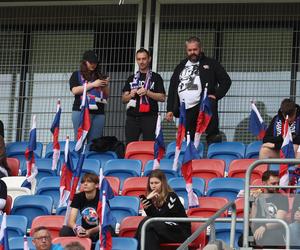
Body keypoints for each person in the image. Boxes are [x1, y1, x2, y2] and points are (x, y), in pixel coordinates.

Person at [166, 36, 231, 145]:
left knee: (212, 135)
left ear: (200, 48)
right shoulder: (180, 66)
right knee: (188, 139)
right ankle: (191, 161)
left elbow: (226, 81)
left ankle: (213, 158)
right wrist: (170, 109)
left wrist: (216, 95)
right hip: (186, 108)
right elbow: (172, 88)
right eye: (190, 50)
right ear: (186, 50)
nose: (193, 52)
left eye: (195, 49)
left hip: (204, 105)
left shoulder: (211, 63)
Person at [135, 169, 191, 250]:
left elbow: (161, 217)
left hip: (180, 231)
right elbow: (154, 218)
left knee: (149, 223)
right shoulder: (154, 198)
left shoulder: (172, 196)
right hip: (164, 229)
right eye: (151, 183)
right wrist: (148, 205)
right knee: (148, 227)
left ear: (163, 183)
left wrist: (149, 203)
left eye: (156, 183)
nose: (154, 186)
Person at [122, 48, 166, 145]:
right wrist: (130, 95)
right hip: (132, 118)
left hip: (150, 117)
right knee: (130, 145)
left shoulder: (156, 77)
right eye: (139, 59)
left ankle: (149, 161)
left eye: (144, 59)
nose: (141, 62)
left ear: (149, 59)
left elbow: (162, 97)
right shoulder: (131, 78)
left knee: (150, 146)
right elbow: (123, 99)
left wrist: (147, 92)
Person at [59, 173, 114, 243]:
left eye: (89, 182)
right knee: (65, 230)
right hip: (84, 229)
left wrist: (90, 232)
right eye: (83, 182)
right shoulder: (78, 197)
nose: (85, 184)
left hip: (98, 230)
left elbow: (105, 222)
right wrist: (77, 228)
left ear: (96, 185)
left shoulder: (102, 198)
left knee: (109, 230)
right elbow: (71, 221)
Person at [69, 50, 110, 144]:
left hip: (98, 112)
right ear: (85, 62)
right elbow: (74, 90)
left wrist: (105, 85)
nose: (93, 65)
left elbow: (106, 95)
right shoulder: (76, 74)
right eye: (90, 62)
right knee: (80, 141)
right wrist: (93, 84)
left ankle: (91, 158)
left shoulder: (100, 75)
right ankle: (79, 159)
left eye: (95, 63)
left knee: (95, 143)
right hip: (81, 111)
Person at [250, 170, 288, 248]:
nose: (277, 186)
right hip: (257, 230)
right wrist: (254, 204)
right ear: (264, 183)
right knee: (243, 239)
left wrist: (264, 227)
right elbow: (252, 222)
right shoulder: (256, 198)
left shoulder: (282, 198)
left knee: (270, 239)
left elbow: (279, 221)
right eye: (273, 183)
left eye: (278, 183)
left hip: (273, 230)